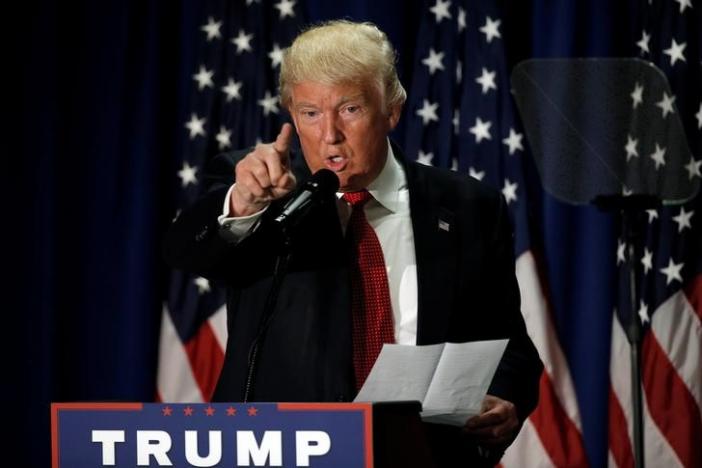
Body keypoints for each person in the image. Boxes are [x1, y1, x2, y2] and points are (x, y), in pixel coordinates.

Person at [164, 19, 542, 466]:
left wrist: (507, 398)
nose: (329, 135)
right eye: (310, 113)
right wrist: (244, 202)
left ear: (392, 110)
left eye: (350, 109)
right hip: (287, 452)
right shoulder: (265, 191)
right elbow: (187, 250)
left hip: (424, 454)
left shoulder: (468, 206)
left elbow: (508, 343)